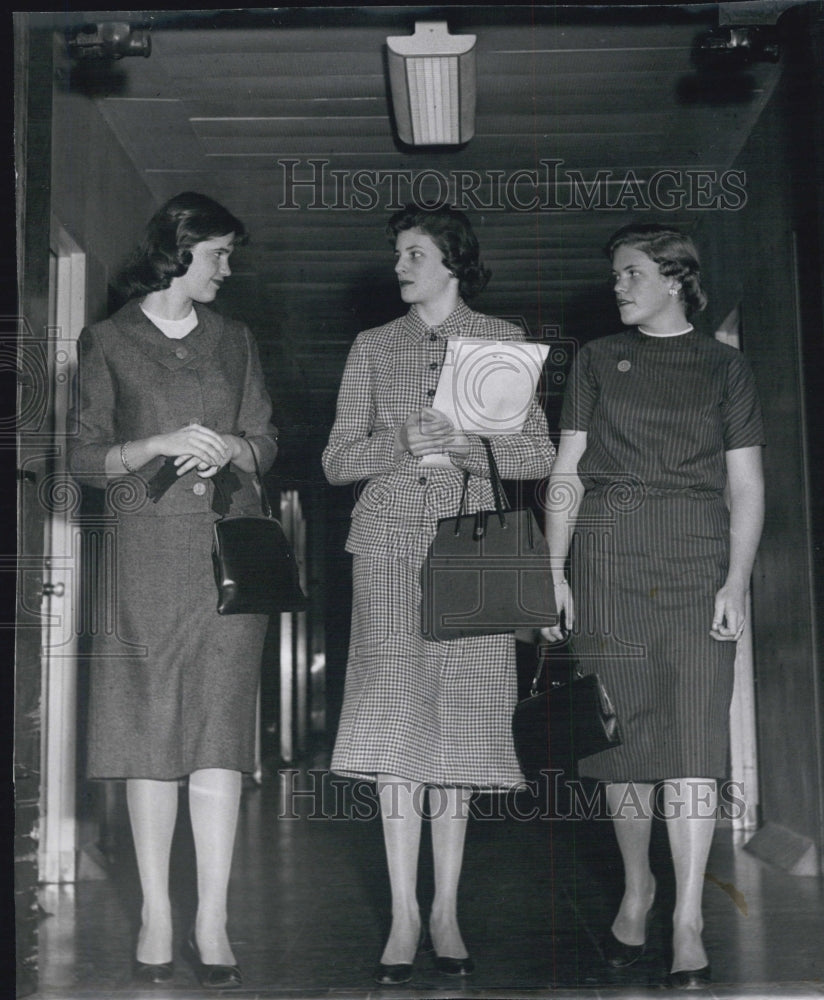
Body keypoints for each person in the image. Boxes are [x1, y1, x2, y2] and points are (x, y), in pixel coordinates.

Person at [322, 203, 555, 985]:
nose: (400, 266)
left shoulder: (503, 340)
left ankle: (447, 909)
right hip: (386, 542)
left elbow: (536, 453)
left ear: (452, 260)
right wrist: (401, 442)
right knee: (395, 718)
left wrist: (467, 445)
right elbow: (334, 460)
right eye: (398, 253)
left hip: (477, 543)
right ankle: (402, 912)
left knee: (460, 723)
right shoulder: (372, 346)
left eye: (414, 253)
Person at [542, 223, 764, 989]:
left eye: (632, 274)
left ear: (676, 279)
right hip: (607, 560)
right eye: (615, 276)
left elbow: (746, 485)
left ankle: (689, 917)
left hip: (697, 561)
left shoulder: (724, 367)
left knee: (695, 736)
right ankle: (637, 888)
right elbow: (567, 473)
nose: (619, 286)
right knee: (620, 740)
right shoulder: (598, 361)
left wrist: (736, 581)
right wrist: (553, 572)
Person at [68, 192, 278, 990]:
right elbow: (86, 458)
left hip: (229, 561)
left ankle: (212, 917)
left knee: (219, 739)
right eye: (218, 254)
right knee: (150, 738)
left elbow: (267, 438)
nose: (227, 270)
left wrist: (232, 446)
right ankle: (158, 912)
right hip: (146, 560)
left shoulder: (236, 341)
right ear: (178, 251)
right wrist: (155, 442)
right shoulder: (110, 340)